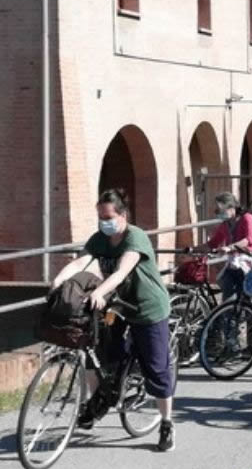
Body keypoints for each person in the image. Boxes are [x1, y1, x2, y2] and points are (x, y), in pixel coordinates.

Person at [51, 188, 177, 452]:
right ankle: (98, 401)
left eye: (107, 216)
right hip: (118, 305)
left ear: (123, 216)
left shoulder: (136, 237)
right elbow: (81, 262)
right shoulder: (99, 239)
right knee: (98, 351)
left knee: (156, 368)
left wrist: (99, 291)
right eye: (100, 216)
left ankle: (166, 422)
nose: (103, 222)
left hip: (147, 308)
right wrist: (58, 280)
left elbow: (122, 271)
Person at [201, 192, 252, 302]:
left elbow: (249, 239)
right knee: (227, 287)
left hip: (248, 263)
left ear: (231, 207)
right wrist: (193, 249)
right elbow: (213, 242)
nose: (218, 212)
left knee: (247, 296)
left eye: (221, 209)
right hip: (234, 263)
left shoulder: (247, 218)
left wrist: (230, 247)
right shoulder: (226, 224)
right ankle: (228, 316)